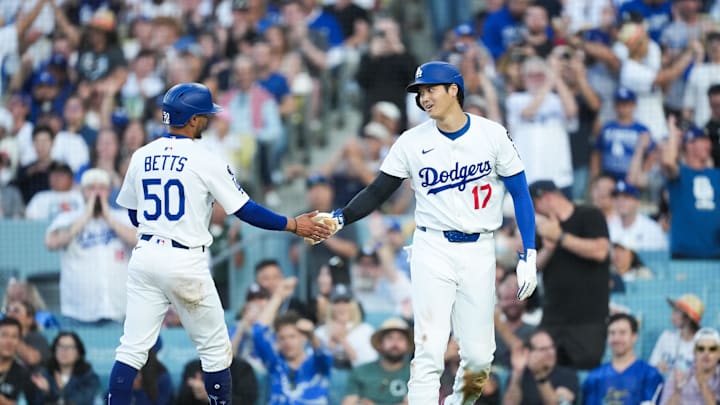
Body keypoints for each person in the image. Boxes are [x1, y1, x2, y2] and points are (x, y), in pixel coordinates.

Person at [316, 61, 538, 404]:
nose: (424, 97)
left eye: (431, 89)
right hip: (432, 246)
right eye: (420, 92)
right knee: (430, 347)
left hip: (480, 248)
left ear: (454, 90)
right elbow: (378, 191)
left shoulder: (491, 134)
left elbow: (521, 193)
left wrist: (530, 253)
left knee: (480, 356)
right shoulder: (411, 141)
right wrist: (341, 218)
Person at [107, 82, 331, 405]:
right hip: (185, 259)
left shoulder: (141, 155)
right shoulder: (206, 157)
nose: (207, 120)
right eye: (203, 116)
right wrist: (294, 224)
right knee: (215, 351)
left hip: (145, 255)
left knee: (131, 348)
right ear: (193, 119)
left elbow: (132, 211)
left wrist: (159, 231)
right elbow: (246, 210)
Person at [529, 179, 610, 370]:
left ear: (546, 198)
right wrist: (548, 249)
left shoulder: (590, 215)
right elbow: (530, 267)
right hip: (552, 319)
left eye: (533, 205)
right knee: (543, 371)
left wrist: (560, 237)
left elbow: (600, 251)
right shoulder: (541, 228)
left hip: (588, 320)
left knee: (585, 372)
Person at [45, 168, 136, 325]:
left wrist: (109, 218)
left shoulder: (123, 217)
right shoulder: (68, 218)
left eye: (101, 188)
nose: (97, 194)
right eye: (91, 188)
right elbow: (52, 242)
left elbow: (137, 240)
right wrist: (85, 216)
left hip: (119, 309)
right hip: (78, 311)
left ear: (109, 191)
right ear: (82, 191)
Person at [253, 277, 333, 403]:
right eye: (282, 338)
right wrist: (278, 296)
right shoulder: (275, 363)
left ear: (303, 338)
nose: (287, 342)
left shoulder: (317, 363)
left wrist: (312, 335)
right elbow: (258, 333)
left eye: (292, 337)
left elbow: (325, 356)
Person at [661, 117, 720, 259]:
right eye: (703, 140)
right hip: (684, 255)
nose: (708, 144)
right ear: (690, 145)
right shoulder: (681, 174)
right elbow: (668, 162)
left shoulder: (717, 174)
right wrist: (674, 135)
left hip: (715, 255)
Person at [582, 313, 664, 405]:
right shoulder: (595, 377)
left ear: (634, 336)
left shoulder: (650, 375)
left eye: (622, 333)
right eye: (612, 333)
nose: (616, 338)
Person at [342, 317, 412, 405]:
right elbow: (348, 402)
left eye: (400, 338)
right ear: (380, 344)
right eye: (390, 338)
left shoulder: (417, 373)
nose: (395, 343)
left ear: (408, 344)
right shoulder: (361, 372)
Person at [503, 329, 580, 405]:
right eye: (543, 349)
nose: (551, 352)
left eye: (552, 347)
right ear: (528, 352)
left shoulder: (567, 374)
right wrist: (517, 372)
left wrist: (539, 374)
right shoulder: (522, 374)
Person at [30, 331, 102, 405]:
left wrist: (58, 390)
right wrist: (45, 392)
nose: (64, 351)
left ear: (78, 353)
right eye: (60, 346)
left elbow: (81, 401)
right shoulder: (45, 375)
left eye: (69, 347)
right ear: (54, 350)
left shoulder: (89, 377)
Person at [659, 327, 720, 404]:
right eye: (701, 349)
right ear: (694, 353)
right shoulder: (680, 377)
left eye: (712, 349)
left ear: (719, 353)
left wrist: (703, 385)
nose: (706, 353)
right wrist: (678, 390)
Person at [649, 294, 704, 376]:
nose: (672, 315)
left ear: (688, 317)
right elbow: (651, 367)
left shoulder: (703, 345)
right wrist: (657, 367)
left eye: (676, 311)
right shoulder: (666, 337)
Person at [0, 317, 38, 403]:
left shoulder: (24, 374)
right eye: (4, 335)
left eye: (14, 337)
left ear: (19, 341)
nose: (9, 341)